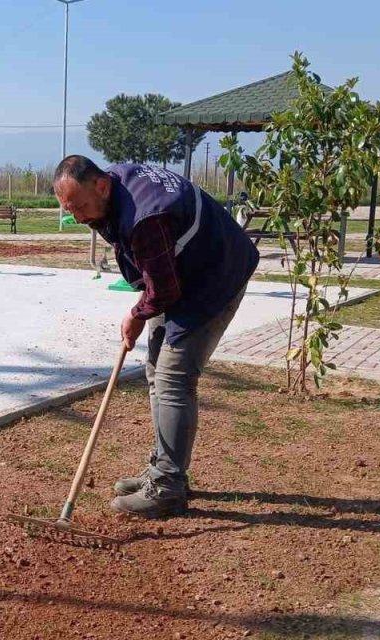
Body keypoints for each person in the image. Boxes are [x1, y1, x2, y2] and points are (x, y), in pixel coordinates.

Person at [53, 155, 259, 518]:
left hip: (215, 276)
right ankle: (164, 466)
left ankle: (167, 487)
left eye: (81, 207)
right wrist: (144, 302)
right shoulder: (114, 185)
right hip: (182, 272)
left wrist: (136, 313)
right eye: (70, 211)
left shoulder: (146, 216)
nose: (80, 217)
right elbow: (156, 272)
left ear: (101, 185)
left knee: (174, 379)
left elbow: (163, 289)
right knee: (155, 371)